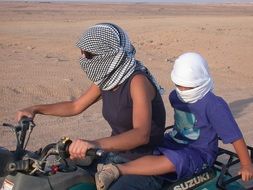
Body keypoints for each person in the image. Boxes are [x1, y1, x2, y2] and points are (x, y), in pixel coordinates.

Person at [16, 23, 166, 190]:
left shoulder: (137, 82)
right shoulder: (108, 79)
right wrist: (35, 109)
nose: (83, 59)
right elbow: (75, 106)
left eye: (87, 55)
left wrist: (94, 144)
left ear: (107, 56)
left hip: (145, 163)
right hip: (114, 156)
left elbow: (141, 135)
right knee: (65, 176)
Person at [94, 52, 253, 190]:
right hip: (174, 140)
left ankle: (119, 169)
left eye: (189, 87)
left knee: (173, 161)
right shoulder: (175, 96)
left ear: (201, 80)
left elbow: (234, 136)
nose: (183, 91)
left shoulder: (214, 105)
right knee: (149, 150)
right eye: (179, 86)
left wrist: (246, 165)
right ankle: (113, 169)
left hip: (199, 151)